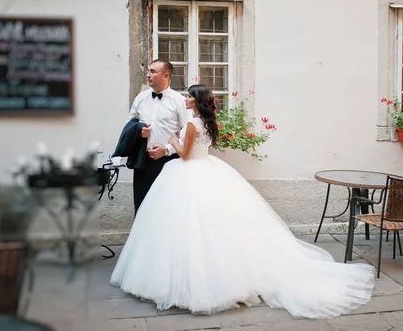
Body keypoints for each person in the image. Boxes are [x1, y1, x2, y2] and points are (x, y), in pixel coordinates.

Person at [110, 84, 375, 319]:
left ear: (196, 101)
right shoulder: (207, 122)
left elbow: (186, 155)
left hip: (188, 172)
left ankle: (193, 282)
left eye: (189, 97)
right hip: (208, 169)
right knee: (214, 228)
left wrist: (171, 140)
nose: (186, 100)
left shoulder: (192, 124)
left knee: (189, 227)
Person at [127, 59, 192, 214]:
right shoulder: (140, 98)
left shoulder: (180, 101)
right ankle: (142, 238)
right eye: (148, 71)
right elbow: (130, 123)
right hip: (143, 161)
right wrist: (139, 130)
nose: (148, 75)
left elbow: (189, 134)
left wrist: (167, 150)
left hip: (170, 162)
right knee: (142, 204)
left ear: (166, 76)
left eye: (153, 71)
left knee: (167, 207)